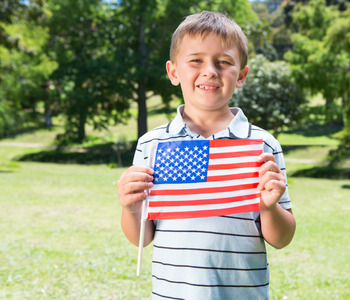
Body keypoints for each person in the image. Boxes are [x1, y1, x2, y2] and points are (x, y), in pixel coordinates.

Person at [117, 11, 296, 299]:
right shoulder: (152, 144)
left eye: (223, 62)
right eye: (196, 60)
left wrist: (269, 207)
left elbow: (282, 239)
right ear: (174, 72)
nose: (210, 70)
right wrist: (129, 207)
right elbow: (142, 237)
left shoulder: (263, 144)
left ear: (241, 76)